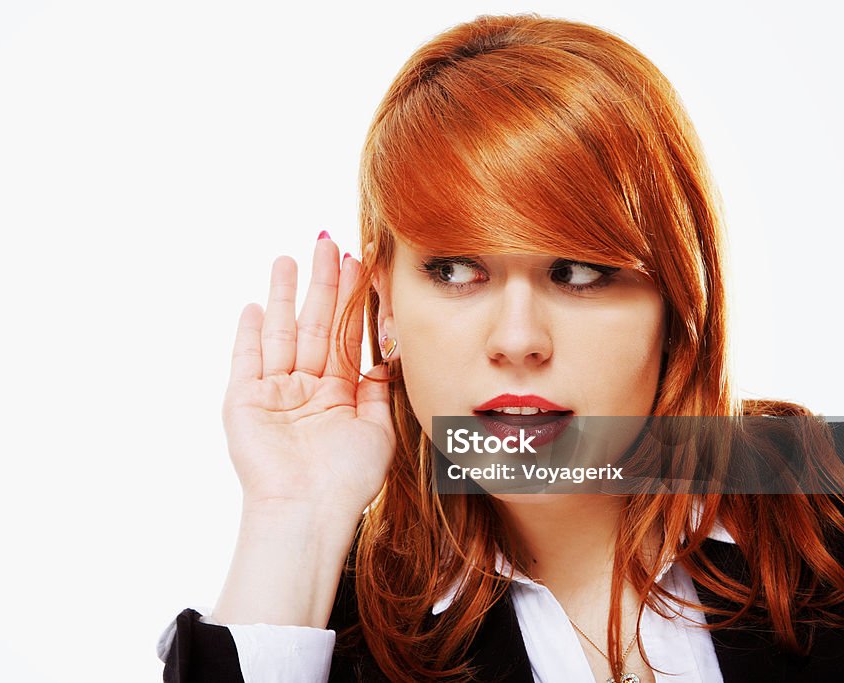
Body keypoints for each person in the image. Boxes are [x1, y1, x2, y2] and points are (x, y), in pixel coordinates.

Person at [157, 14, 844, 683]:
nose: (518, 341)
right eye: (456, 271)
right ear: (386, 303)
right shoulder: (310, 635)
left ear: (674, 300)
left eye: (577, 272)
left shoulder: (826, 497)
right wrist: (292, 519)